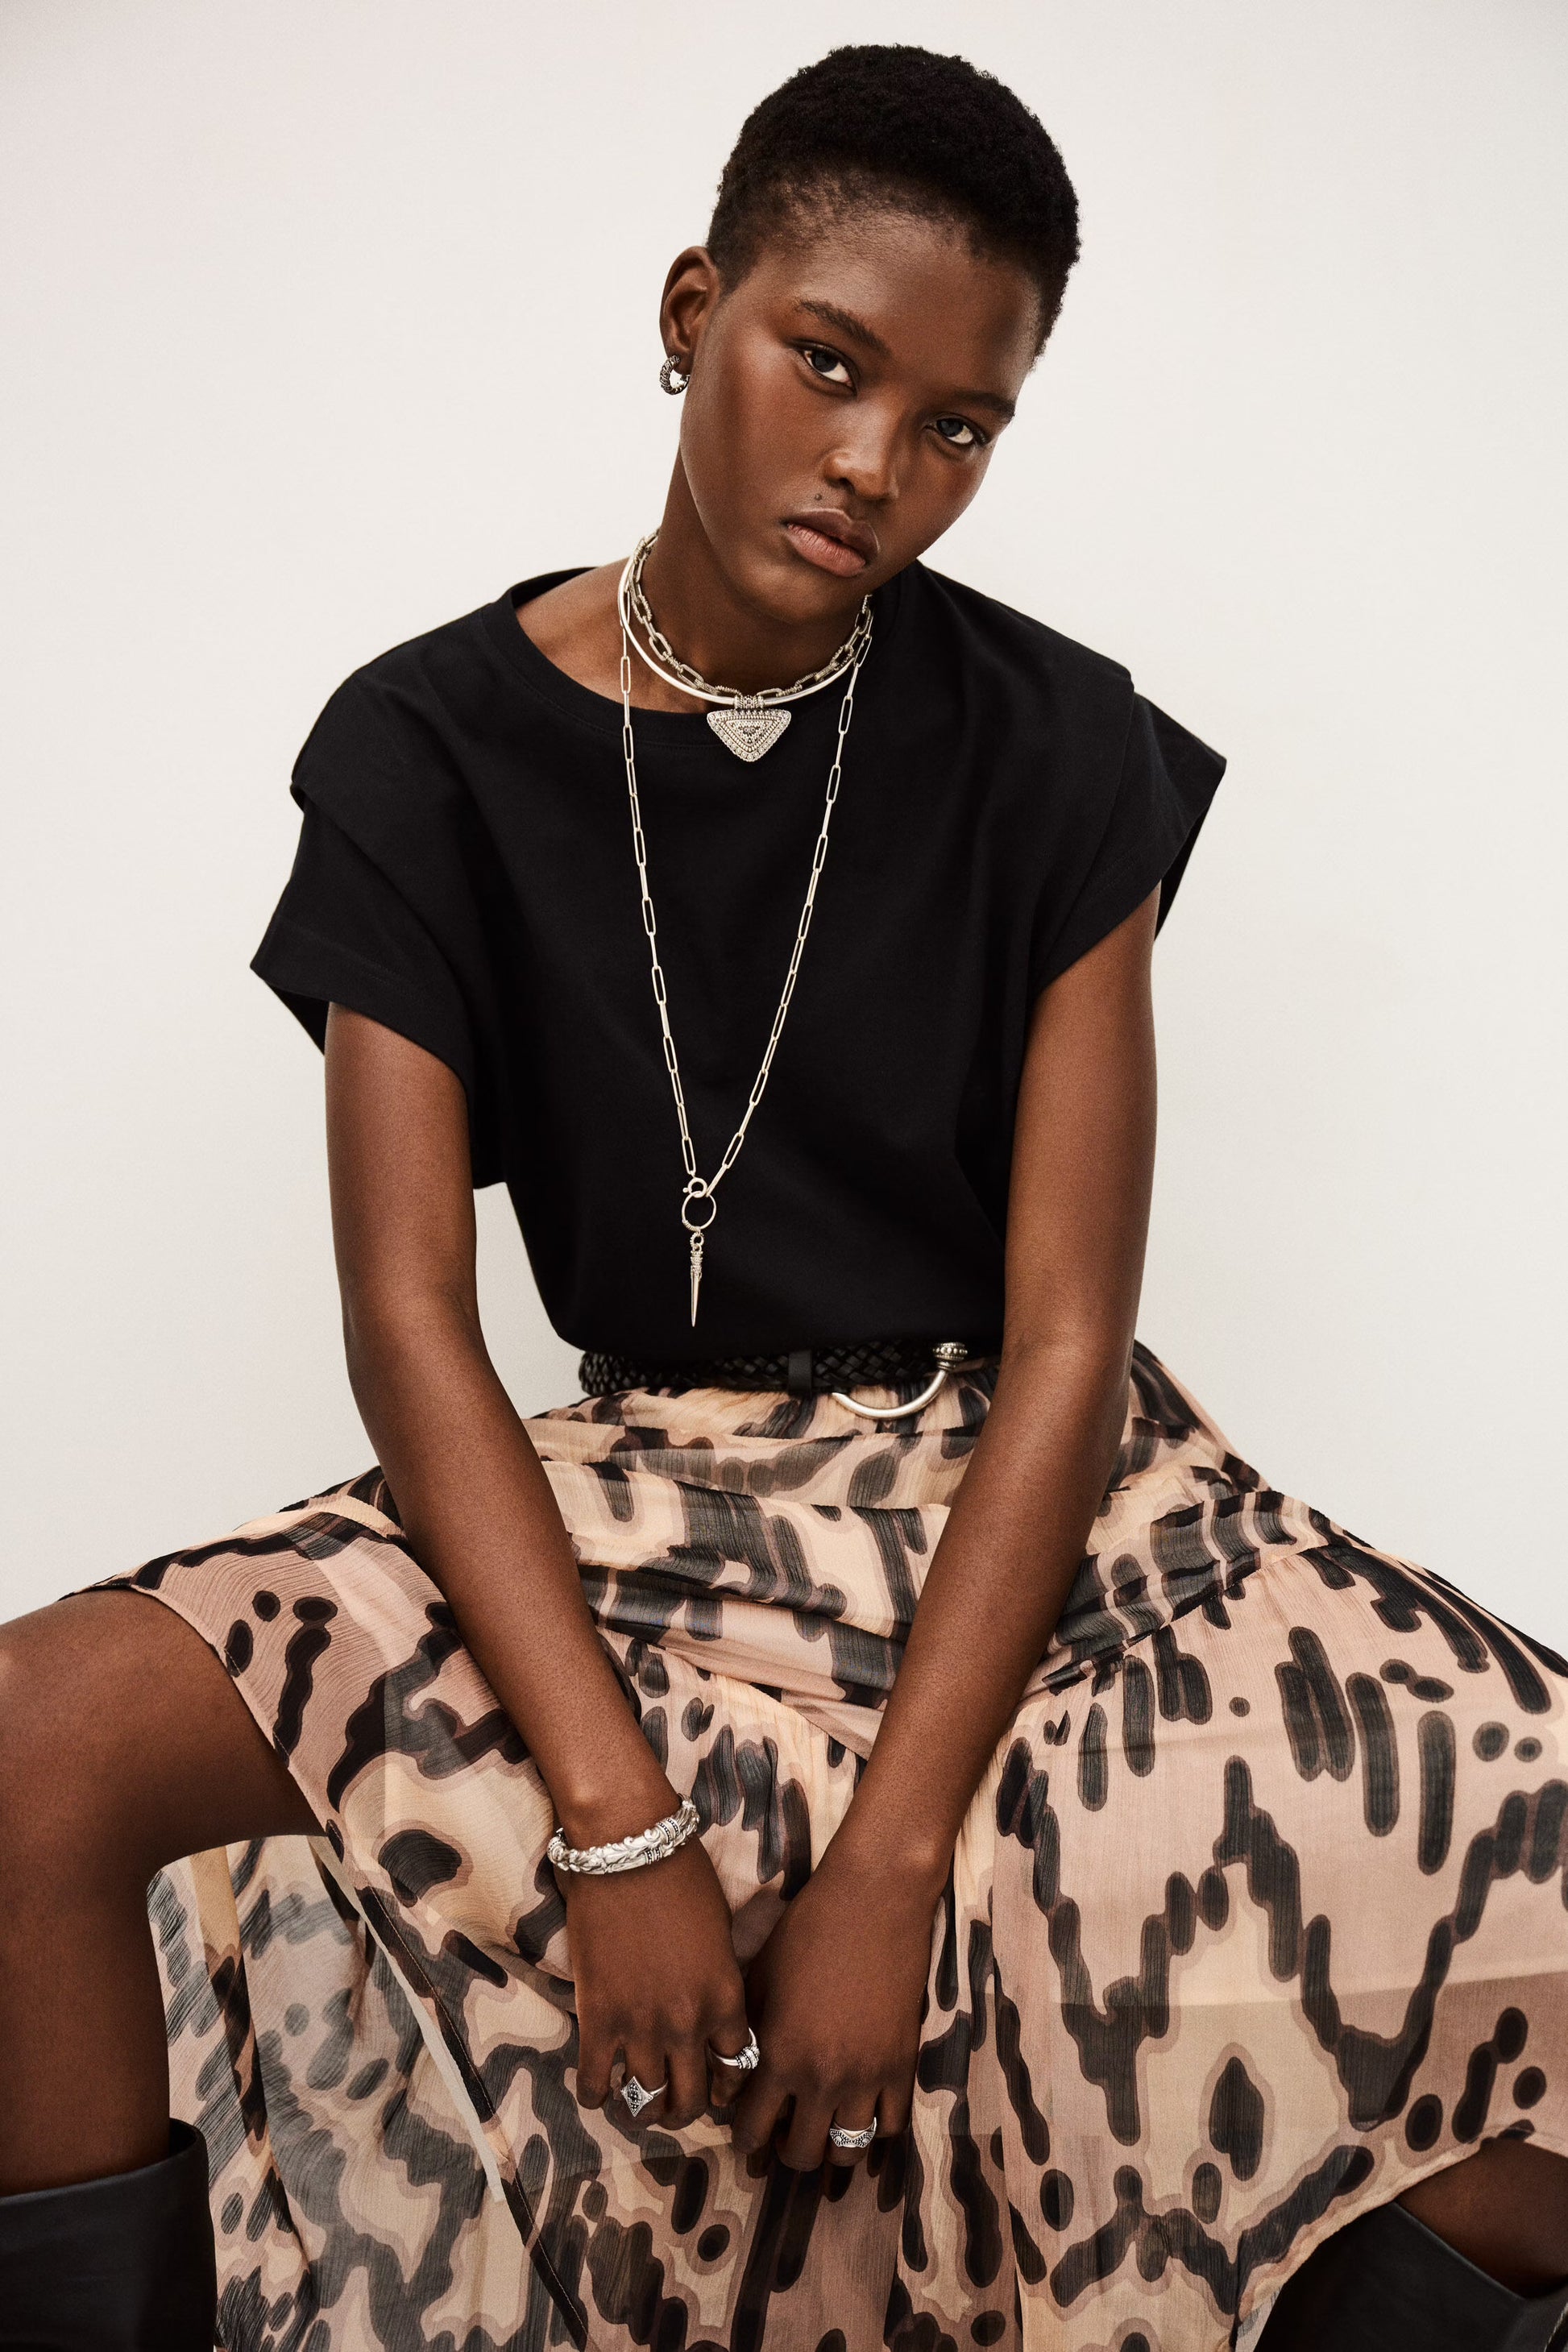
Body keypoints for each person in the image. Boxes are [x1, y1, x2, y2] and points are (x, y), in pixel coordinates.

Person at [1, 39, 1564, 2352]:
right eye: (826, 363)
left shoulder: (1058, 747)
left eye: (958, 424)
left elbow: (1064, 1336)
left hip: (1039, 1496)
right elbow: (413, 1320)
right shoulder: (426, 750)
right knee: (32, 1746)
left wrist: (896, 1861)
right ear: (690, 311)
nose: (875, 464)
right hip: (636, 1492)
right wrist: (621, 1822)